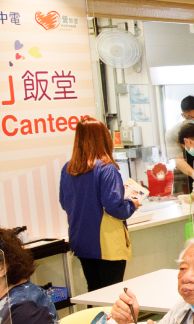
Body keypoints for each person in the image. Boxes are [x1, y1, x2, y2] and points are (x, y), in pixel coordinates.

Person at [59, 117, 141, 290]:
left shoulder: (68, 169)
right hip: (106, 242)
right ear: (103, 139)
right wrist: (132, 204)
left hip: (80, 240)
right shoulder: (106, 168)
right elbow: (114, 207)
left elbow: (65, 203)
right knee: (111, 293)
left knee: (94, 291)